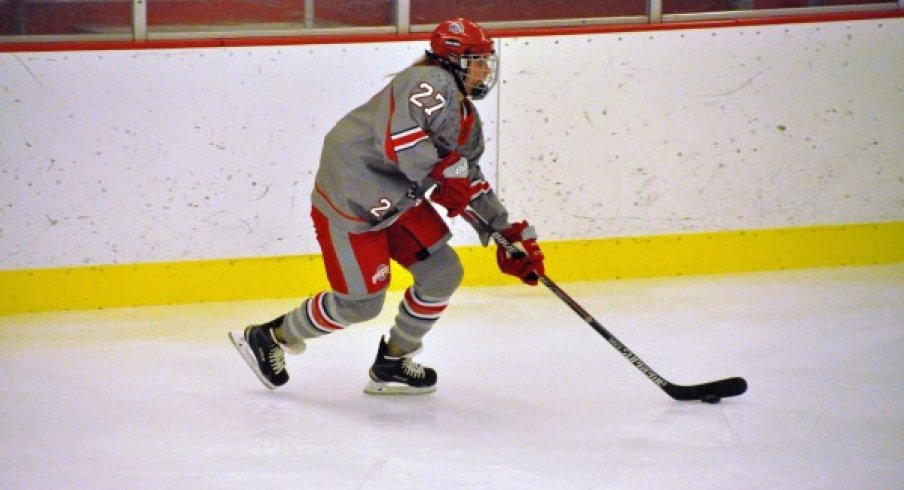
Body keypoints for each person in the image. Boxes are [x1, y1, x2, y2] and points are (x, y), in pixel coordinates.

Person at [229, 18, 545, 395]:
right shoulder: (429, 82)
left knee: (443, 272)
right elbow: (403, 142)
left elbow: (468, 177)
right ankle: (269, 336)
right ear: (453, 60)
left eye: (486, 61)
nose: (484, 69)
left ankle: (393, 362)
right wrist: (446, 174)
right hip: (352, 204)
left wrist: (503, 232)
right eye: (477, 60)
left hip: (397, 201)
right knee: (360, 305)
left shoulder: (466, 120)